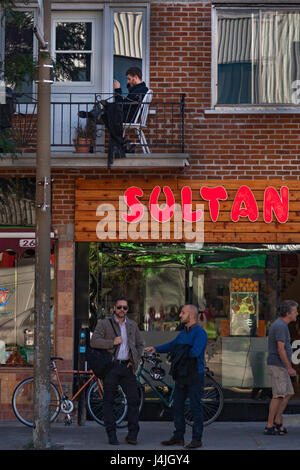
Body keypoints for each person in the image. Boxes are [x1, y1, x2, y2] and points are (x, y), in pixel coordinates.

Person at [145, 304, 208, 449]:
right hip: (181, 374)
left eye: (183, 313)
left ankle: (197, 439)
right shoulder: (183, 333)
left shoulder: (200, 333)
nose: (180, 315)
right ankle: (178, 437)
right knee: (177, 406)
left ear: (191, 316)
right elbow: (172, 345)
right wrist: (156, 349)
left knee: (195, 407)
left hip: (194, 375)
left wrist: (179, 352)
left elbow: (195, 352)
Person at [90, 297, 144, 445]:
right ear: (114, 308)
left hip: (127, 367)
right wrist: (111, 342)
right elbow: (94, 341)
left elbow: (140, 344)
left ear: (127, 310)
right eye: (119, 307)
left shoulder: (132, 325)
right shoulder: (105, 324)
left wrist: (135, 360)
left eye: (125, 308)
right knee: (108, 401)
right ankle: (111, 435)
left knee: (134, 400)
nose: (122, 310)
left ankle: (132, 435)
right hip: (112, 367)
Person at [264, 299, 298, 435]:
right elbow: (280, 349)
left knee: (288, 393)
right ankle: (270, 425)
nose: (297, 314)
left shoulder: (281, 325)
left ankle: (278, 420)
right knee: (278, 395)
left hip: (280, 366)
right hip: (278, 365)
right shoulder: (280, 326)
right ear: (288, 313)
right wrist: (289, 367)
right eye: (295, 311)